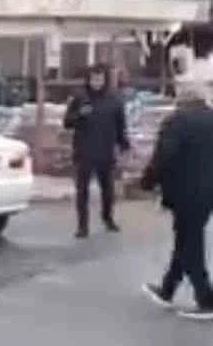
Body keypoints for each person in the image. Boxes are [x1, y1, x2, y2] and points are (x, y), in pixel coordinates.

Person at [139, 81, 213, 318]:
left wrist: (147, 182)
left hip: (184, 191)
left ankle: (207, 299)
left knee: (190, 244)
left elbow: (164, 156)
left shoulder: (177, 122)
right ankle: (167, 290)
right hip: (207, 192)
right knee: (186, 239)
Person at [63, 64, 130, 238]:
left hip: (105, 151)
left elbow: (120, 125)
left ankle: (107, 218)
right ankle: (82, 226)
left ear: (105, 80)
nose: (97, 82)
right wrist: (79, 115)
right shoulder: (80, 98)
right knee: (82, 191)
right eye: (94, 79)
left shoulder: (114, 99)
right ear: (89, 79)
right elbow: (67, 122)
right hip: (84, 152)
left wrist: (124, 144)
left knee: (107, 189)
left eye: (100, 79)